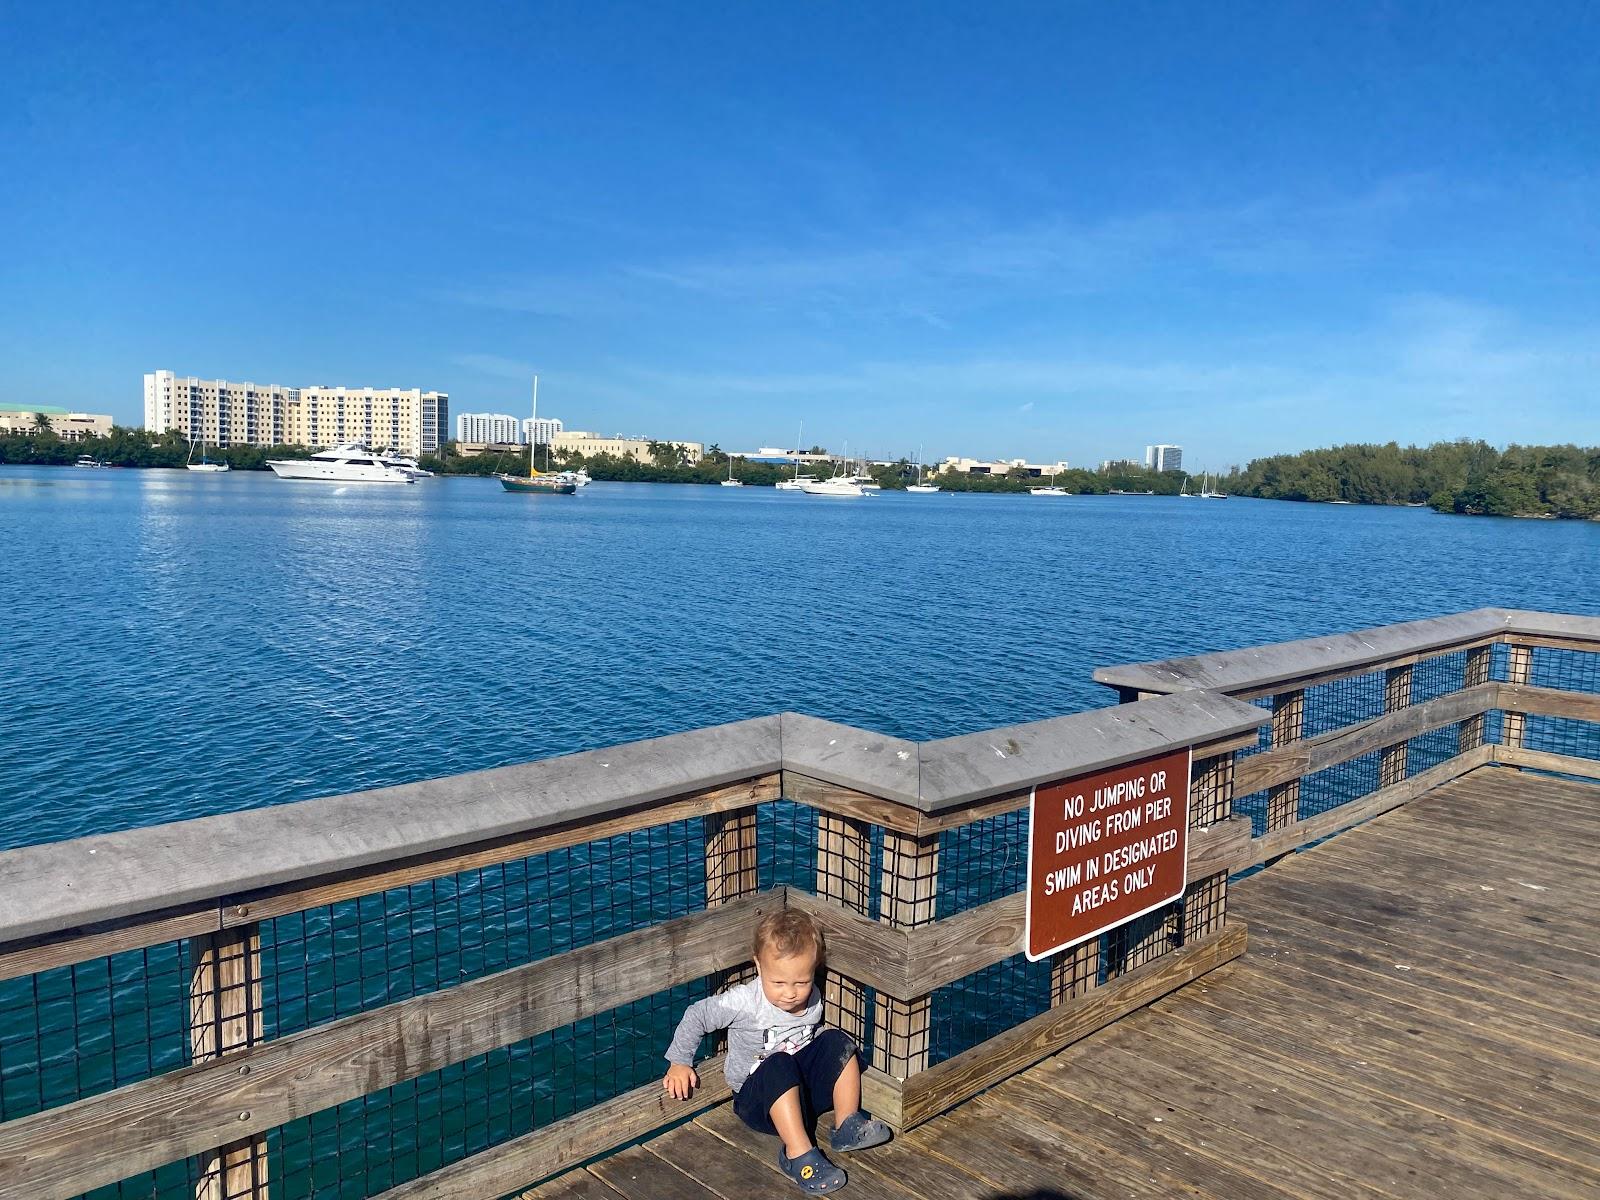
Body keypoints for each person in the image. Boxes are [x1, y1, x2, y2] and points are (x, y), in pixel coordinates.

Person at [663, 909, 892, 1193]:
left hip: (801, 1097)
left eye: (802, 982)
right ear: (759, 966)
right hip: (759, 1102)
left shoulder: (813, 998)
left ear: (813, 970)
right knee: (779, 1063)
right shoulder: (747, 1001)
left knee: (837, 1041)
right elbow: (697, 1015)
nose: (791, 993)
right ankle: (798, 1154)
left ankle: (847, 1124)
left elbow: (809, 1040)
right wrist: (680, 1061)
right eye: (779, 983)